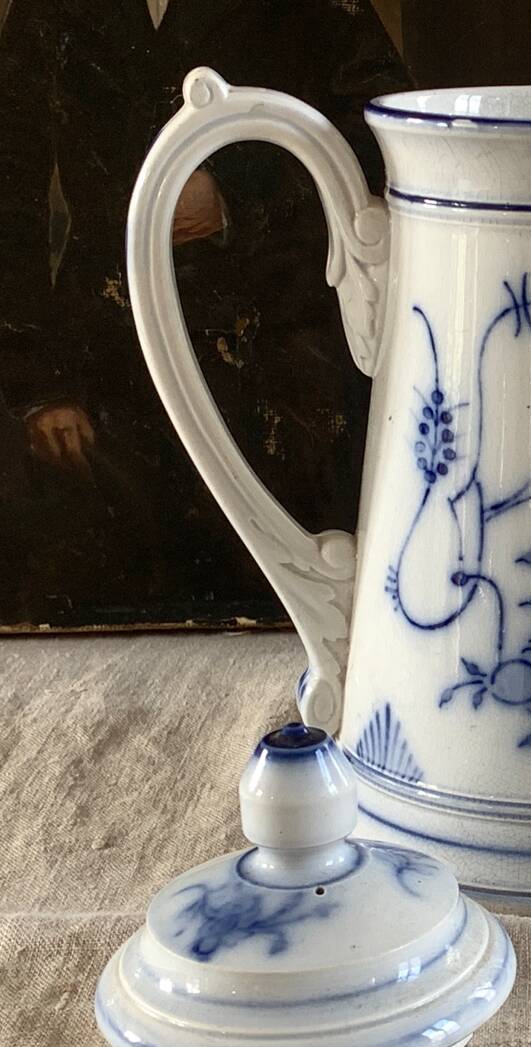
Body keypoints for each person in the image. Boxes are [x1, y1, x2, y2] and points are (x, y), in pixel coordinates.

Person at [0, 0, 410, 624]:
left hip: (279, 367)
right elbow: (11, 194)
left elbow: (389, 130)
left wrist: (236, 192)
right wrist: (41, 384)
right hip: (110, 363)